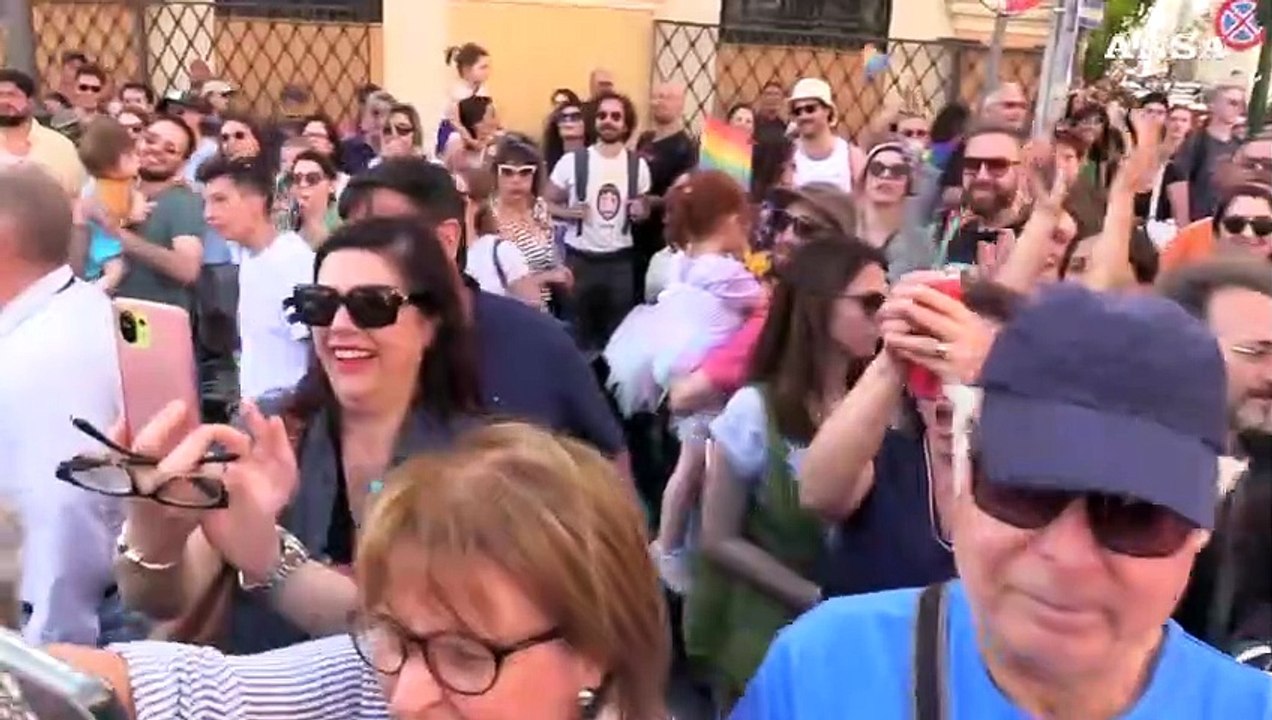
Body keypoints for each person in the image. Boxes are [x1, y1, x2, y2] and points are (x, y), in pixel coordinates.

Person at [734, 283, 1272, 718]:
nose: (1067, 555)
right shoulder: (822, 668)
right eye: (1026, 490)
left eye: (1135, 513)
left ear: (1206, 522)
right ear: (964, 475)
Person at [50, 423, 671, 720]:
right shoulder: (375, 674)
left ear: (593, 650)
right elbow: (189, 690)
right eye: (394, 639)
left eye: (466, 656)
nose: (406, 698)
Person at [605, 171, 765, 593]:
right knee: (695, 463)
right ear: (731, 221)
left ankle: (677, 540)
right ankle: (669, 543)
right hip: (698, 366)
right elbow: (764, 303)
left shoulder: (681, 261)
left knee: (691, 461)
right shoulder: (726, 273)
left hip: (675, 359)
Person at [0, 166, 123, 645]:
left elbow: (65, 515)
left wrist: (46, 661)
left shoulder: (40, 357)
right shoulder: (72, 312)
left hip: (55, 628)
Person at [76, 116, 147, 293]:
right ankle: (94, 290)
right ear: (115, 163)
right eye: (132, 156)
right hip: (103, 240)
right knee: (116, 269)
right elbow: (119, 217)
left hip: (101, 238)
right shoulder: (103, 188)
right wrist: (134, 212)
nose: (139, 159)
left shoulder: (118, 182)